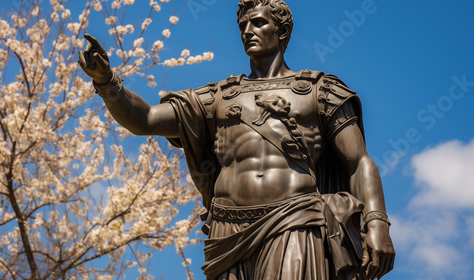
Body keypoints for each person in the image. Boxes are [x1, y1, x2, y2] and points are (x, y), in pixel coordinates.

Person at [78, 0, 395, 279]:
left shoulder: (318, 90)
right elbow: (144, 119)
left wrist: (377, 222)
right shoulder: (216, 97)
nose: (247, 31)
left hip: (294, 220)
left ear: (281, 31)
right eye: (243, 25)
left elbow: (358, 162)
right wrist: (108, 82)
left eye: (258, 22)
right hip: (226, 232)